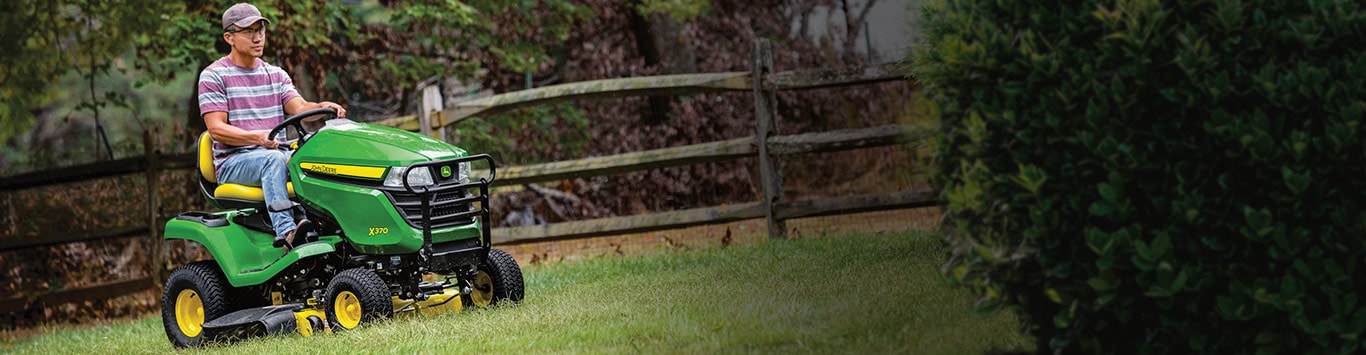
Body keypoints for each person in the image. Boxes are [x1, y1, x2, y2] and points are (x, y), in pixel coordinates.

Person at [198, 3, 346, 250]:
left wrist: (322, 106)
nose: (257, 38)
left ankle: (335, 227)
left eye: (261, 30)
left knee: (319, 156)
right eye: (249, 32)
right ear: (229, 37)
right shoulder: (214, 76)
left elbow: (299, 108)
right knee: (273, 160)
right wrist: (257, 137)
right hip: (234, 161)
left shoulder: (275, 74)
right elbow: (216, 129)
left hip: (275, 152)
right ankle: (287, 233)